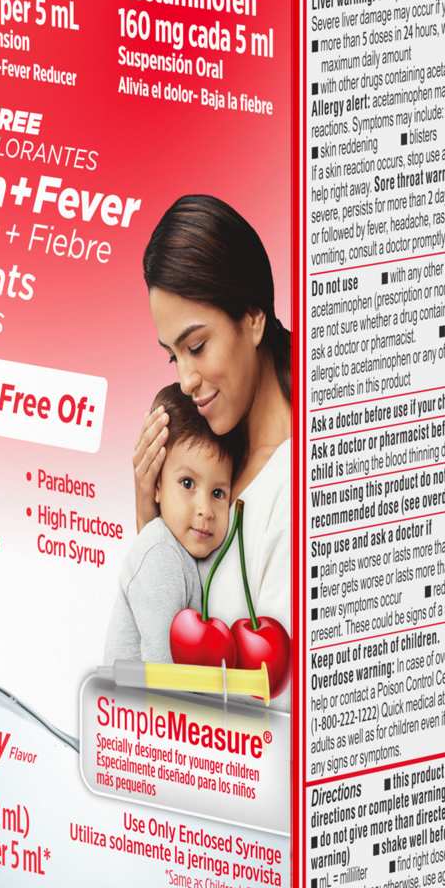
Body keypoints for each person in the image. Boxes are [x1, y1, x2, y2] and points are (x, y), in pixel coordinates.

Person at [132, 195, 294, 707]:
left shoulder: (298, 485)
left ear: (253, 317)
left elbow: (276, 709)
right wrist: (151, 520)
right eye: (173, 357)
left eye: (197, 347)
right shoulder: (212, 455)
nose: (186, 380)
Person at [102, 385, 242, 664]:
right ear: (156, 485)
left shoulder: (192, 553)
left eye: (218, 493)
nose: (205, 511)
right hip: (140, 693)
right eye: (187, 483)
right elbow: (162, 671)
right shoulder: (160, 551)